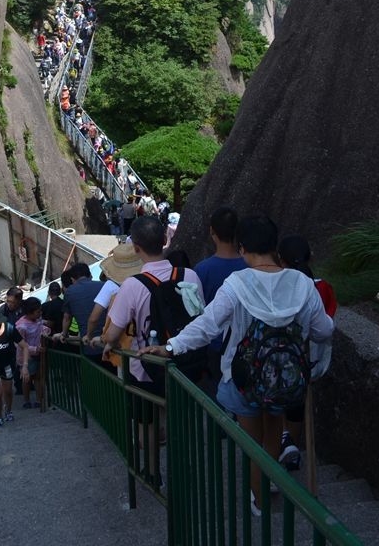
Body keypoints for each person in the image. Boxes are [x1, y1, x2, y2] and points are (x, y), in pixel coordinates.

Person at [142, 215, 333, 517]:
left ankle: (259, 501)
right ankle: (268, 482)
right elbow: (323, 329)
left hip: (243, 376)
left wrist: (171, 346)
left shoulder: (238, 283)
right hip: (283, 375)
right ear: (275, 247)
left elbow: (208, 325)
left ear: (243, 248)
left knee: (252, 445)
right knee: (272, 436)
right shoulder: (301, 283)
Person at [103, 217, 203, 394]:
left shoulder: (132, 285)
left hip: (147, 368)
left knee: (147, 419)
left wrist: (105, 341)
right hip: (188, 363)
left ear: (136, 248)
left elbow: (112, 336)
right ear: (165, 240)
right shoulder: (190, 275)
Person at [276, 234, 337, 471]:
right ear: (311, 257)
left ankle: (282, 441)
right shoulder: (323, 287)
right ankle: (291, 444)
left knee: (279, 401)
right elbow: (327, 325)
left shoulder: (280, 286)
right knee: (298, 405)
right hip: (313, 359)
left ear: (281, 260)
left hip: (283, 358)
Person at [194, 206, 248, 389]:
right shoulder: (249, 268)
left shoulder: (202, 269)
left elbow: (198, 309)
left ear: (212, 232)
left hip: (214, 343)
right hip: (246, 341)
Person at [59, 263, 105, 357]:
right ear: (89, 274)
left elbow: (67, 318)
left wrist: (64, 334)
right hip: (109, 343)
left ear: (72, 279)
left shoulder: (69, 292)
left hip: (88, 344)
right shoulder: (103, 286)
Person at [16, 298, 50, 408]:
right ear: (30, 312)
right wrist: (34, 349)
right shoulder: (21, 326)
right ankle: (27, 400)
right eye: (38, 311)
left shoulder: (38, 320)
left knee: (39, 377)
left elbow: (42, 329)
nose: (40, 313)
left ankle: (39, 400)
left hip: (39, 354)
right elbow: (19, 344)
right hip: (27, 357)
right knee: (27, 379)